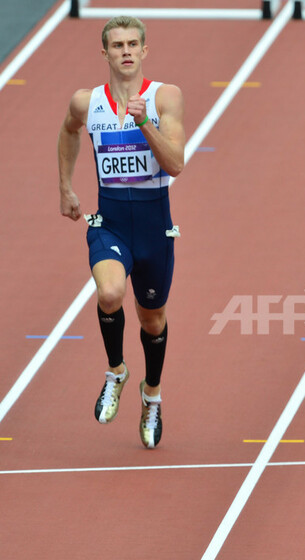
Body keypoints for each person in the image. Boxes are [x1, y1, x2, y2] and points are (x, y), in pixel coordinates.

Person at [57, 16, 185, 447]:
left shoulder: (164, 97)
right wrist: (65, 187)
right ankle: (115, 371)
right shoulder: (86, 101)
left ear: (144, 50)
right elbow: (68, 131)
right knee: (109, 294)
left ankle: (151, 393)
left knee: (152, 319)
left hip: (155, 227)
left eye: (133, 44)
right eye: (117, 45)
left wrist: (146, 122)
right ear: (105, 53)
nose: (126, 51)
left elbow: (176, 164)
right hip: (109, 223)